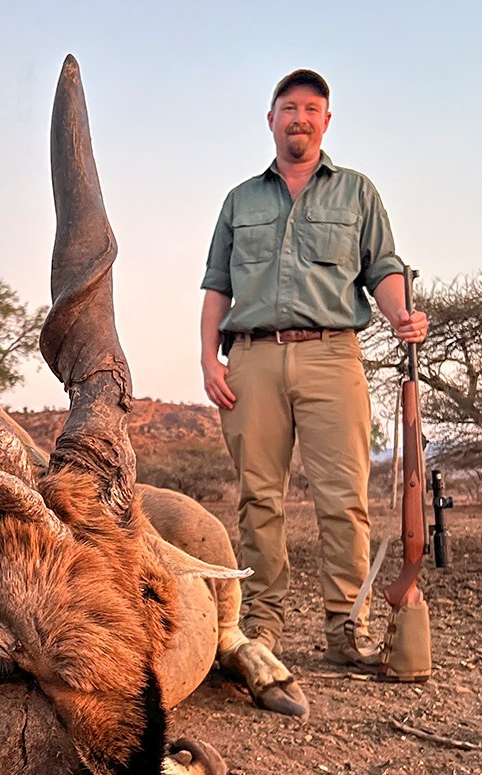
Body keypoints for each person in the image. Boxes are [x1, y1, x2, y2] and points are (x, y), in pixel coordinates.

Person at [199, 68, 428, 667]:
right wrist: (207, 358)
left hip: (333, 354)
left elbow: (383, 269)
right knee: (258, 499)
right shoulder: (240, 200)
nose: (299, 117)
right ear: (271, 119)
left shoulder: (357, 192)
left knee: (343, 498)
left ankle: (346, 627)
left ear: (326, 120)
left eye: (311, 108)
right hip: (250, 357)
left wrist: (402, 315)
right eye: (288, 107)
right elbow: (217, 284)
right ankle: (261, 624)